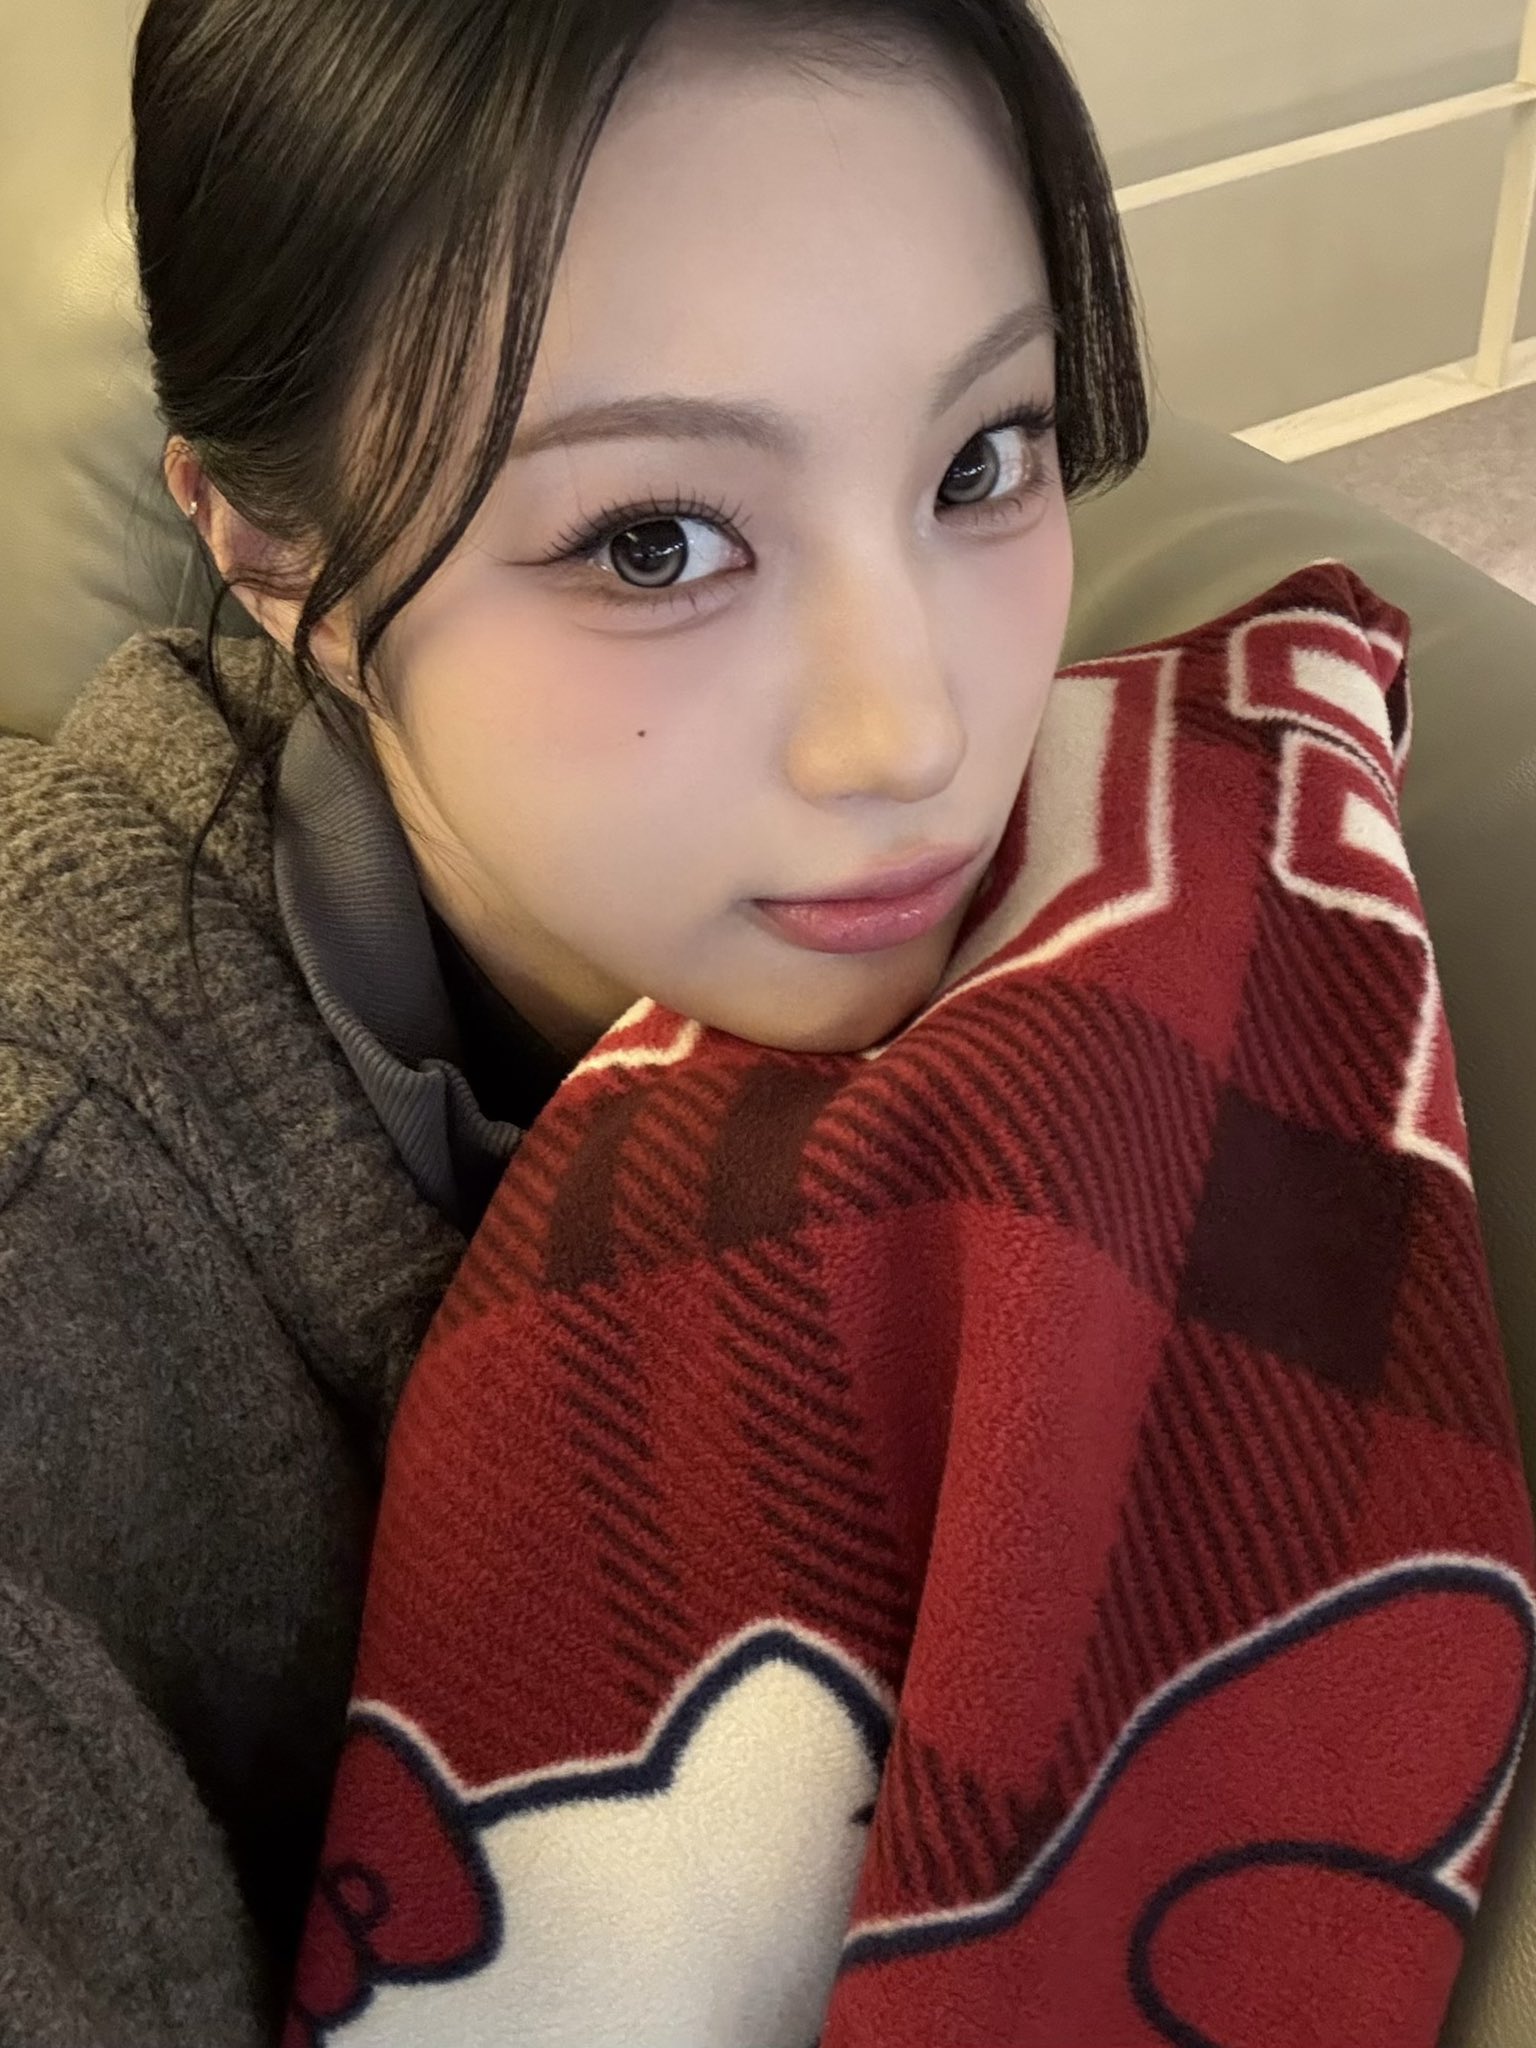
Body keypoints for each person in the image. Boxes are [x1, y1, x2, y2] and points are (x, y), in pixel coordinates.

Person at [0, 0, 1147, 2040]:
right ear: (274, 559)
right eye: (654, 541)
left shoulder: (1167, 873)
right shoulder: (63, 1235)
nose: (915, 734)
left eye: (981, 459)